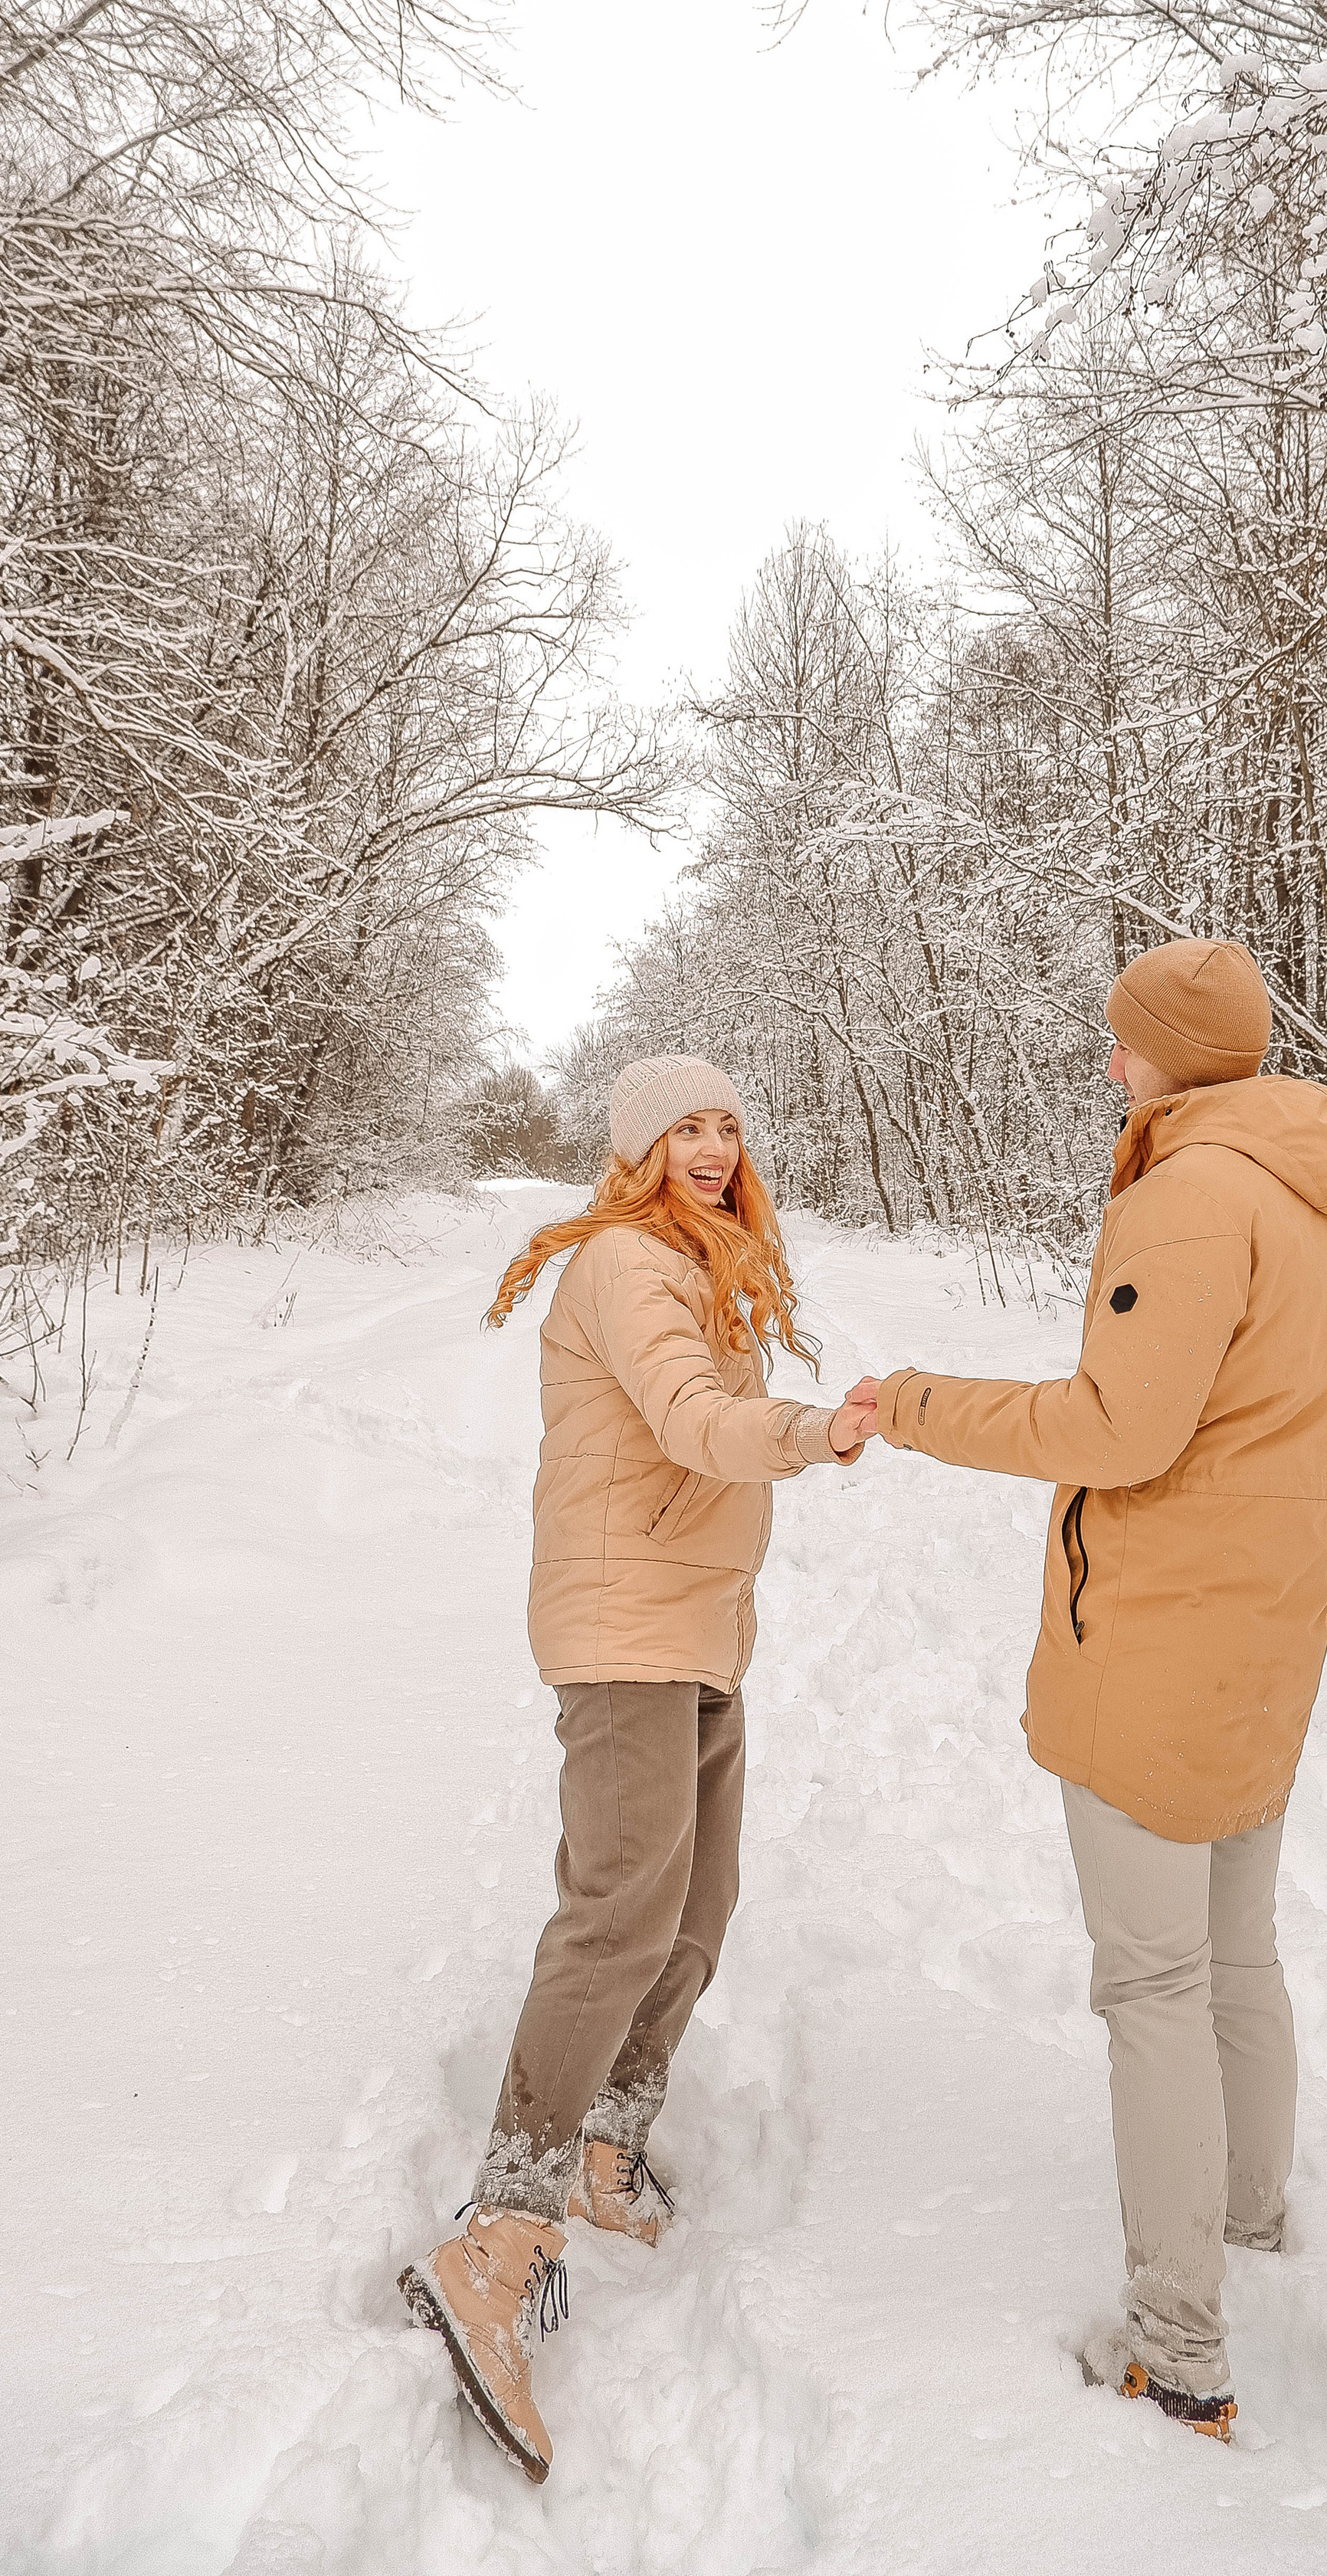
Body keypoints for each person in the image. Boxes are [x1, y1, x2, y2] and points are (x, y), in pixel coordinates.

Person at [848, 939, 1327, 2445]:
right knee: (1235, 1952)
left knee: (1152, 1987)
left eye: (1119, 1042)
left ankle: (1178, 2347)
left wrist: (918, 1406)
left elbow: (1115, 1429)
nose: (1104, 1062)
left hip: (1161, 1635)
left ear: (1174, 1057)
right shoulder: (1313, 1187)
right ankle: (1248, 2215)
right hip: (1266, 1624)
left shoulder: (1191, 1196)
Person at [399, 1054, 875, 2483]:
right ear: (636, 1146)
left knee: (699, 1905)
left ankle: (614, 2132)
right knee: (619, 1909)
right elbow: (684, 1420)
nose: (716, 1146)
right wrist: (814, 1431)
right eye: (687, 1128)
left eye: (730, 1121)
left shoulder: (705, 1257)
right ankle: (501, 2229)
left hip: (695, 1620)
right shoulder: (625, 1261)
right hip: (624, 1629)